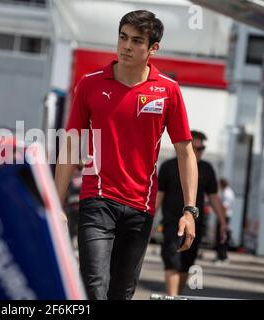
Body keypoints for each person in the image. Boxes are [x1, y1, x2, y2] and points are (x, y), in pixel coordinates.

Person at [54, 10, 199, 300]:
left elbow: (186, 153)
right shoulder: (90, 83)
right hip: (96, 201)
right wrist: (56, 206)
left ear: (153, 48)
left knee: (121, 293)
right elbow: (70, 145)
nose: (126, 46)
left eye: (136, 40)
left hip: (140, 207)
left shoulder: (167, 91)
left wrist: (189, 210)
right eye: (122, 38)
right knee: (94, 286)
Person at [156, 130, 228, 296]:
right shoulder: (168, 167)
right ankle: (172, 297)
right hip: (172, 222)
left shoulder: (207, 169)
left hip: (195, 224)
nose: (199, 152)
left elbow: (214, 198)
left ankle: (176, 296)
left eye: (201, 148)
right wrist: (148, 219)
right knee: (171, 261)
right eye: (195, 148)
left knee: (186, 264)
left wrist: (223, 222)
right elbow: (159, 195)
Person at [215, 178, 235, 264]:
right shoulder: (226, 191)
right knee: (222, 236)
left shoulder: (227, 193)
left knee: (222, 237)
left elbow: (225, 207)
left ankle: (222, 257)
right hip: (224, 216)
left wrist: (221, 218)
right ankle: (222, 256)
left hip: (224, 217)